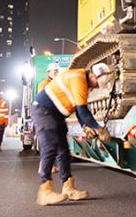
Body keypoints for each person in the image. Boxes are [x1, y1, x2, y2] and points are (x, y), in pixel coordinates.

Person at [32, 63, 111, 205]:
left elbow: (79, 109)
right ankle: (45, 191)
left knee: (63, 151)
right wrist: (99, 129)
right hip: (44, 111)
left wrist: (86, 126)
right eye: (97, 83)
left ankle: (68, 187)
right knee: (50, 147)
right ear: (93, 75)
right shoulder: (78, 78)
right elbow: (82, 110)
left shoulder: (83, 82)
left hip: (56, 114)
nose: (97, 86)